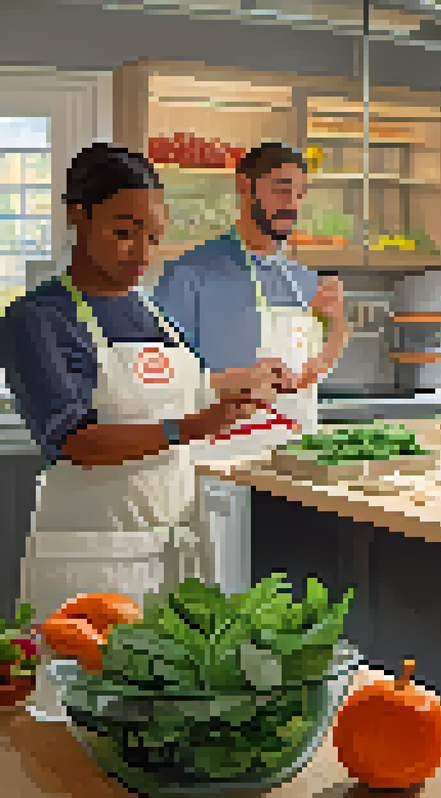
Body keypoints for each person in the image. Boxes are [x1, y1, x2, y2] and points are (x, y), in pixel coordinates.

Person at [0, 144, 289, 719]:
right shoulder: (38, 318)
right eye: (124, 232)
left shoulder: (151, 313)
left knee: (165, 723)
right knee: (80, 724)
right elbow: (75, 440)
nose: (142, 252)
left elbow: (177, 391)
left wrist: (238, 385)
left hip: (174, 556)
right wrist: (194, 426)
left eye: (153, 237)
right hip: (92, 564)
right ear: (78, 215)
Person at [151, 143, 350, 458]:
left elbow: (322, 358)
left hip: (296, 455)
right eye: (281, 190)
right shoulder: (190, 273)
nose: (291, 204)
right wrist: (236, 380)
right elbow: (158, 376)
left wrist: (336, 328)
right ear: (245, 187)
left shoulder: (305, 280)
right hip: (220, 459)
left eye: (299, 195)